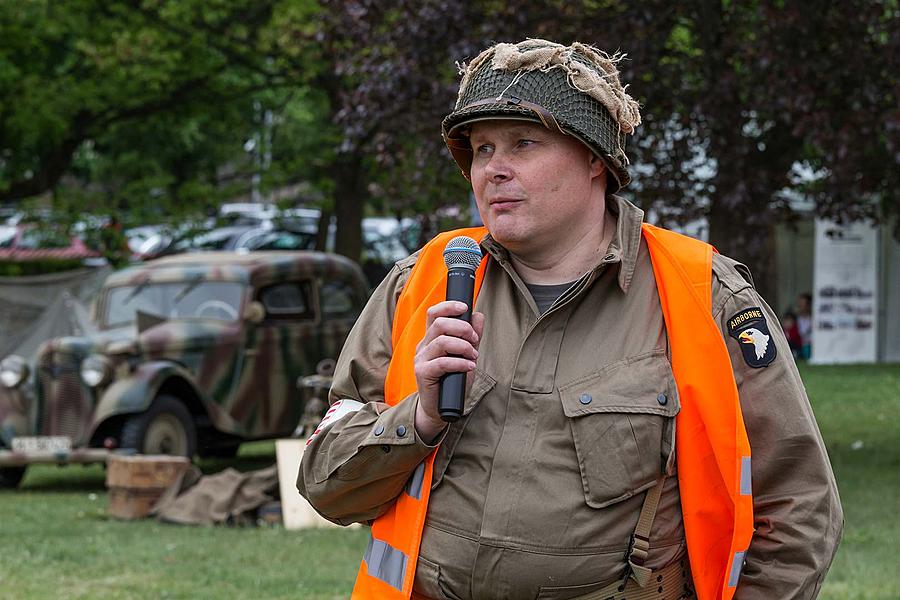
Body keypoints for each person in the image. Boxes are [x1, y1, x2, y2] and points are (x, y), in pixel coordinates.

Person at [298, 39, 842, 600]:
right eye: (482, 150)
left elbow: (797, 509)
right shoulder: (423, 282)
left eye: (523, 143)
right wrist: (422, 419)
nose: (494, 170)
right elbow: (325, 486)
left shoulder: (704, 295)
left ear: (594, 160)